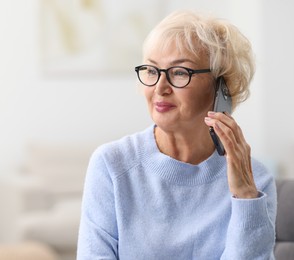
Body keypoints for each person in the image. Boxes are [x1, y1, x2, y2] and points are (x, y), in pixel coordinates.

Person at [77, 10, 276, 260]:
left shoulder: (256, 181)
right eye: (151, 70)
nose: (160, 87)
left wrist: (246, 198)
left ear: (220, 88)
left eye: (180, 72)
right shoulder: (111, 164)